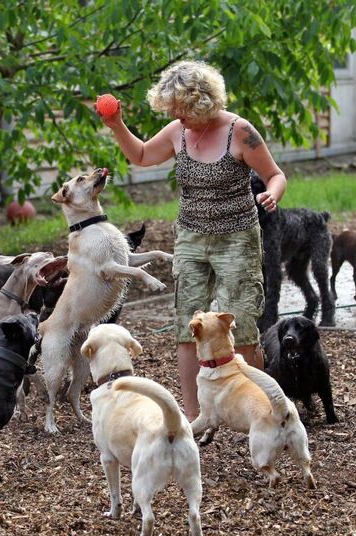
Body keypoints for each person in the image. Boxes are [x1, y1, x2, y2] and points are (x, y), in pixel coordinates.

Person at [98, 60, 287, 421]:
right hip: (190, 238)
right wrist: (116, 125)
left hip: (237, 239)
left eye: (180, 109)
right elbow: (140, 155)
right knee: (189, 325)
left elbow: (275, 174)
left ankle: (260, 409)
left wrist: (272, 193)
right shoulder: (177, 132)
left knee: (242, 325)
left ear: (201, 102)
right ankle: (195, 415)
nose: (174, 115)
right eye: (172, 110)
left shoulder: (240, 131)